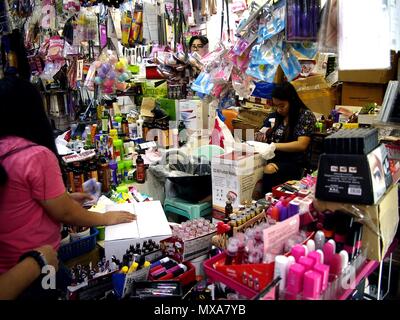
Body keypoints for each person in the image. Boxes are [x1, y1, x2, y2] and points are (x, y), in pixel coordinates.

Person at [0, 76, 135, 298]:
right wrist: (106, 218)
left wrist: (67, 197)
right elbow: (64, 213)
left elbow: (20, 200)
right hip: (32, 269)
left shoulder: (6, 149)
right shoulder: (36, 155)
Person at [256, 82, 317, 194]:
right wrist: (263, 138)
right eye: (276, 106)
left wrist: (274, 146)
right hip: (275, 158)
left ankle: (269, 202)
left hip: (295, 162)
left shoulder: (305, 116)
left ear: (292, 101)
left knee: (269, 169)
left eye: (282, 106)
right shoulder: (277, 116)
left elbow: (301, 145)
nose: (279, 109)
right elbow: (267, 133)